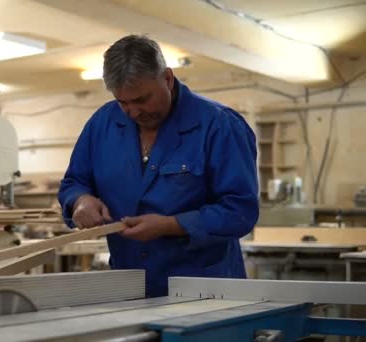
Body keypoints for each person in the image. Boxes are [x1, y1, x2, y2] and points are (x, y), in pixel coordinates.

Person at [58, 35, 259, 297]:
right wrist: (80, 201)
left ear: (167, 78)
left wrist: (171, 225)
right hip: (128, 288)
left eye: (142, 99)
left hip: (205, 290)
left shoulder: (220, 126)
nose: (133, 112)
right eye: (123, 102)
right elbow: (74, 182)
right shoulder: (102, 124)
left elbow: (239, 211)